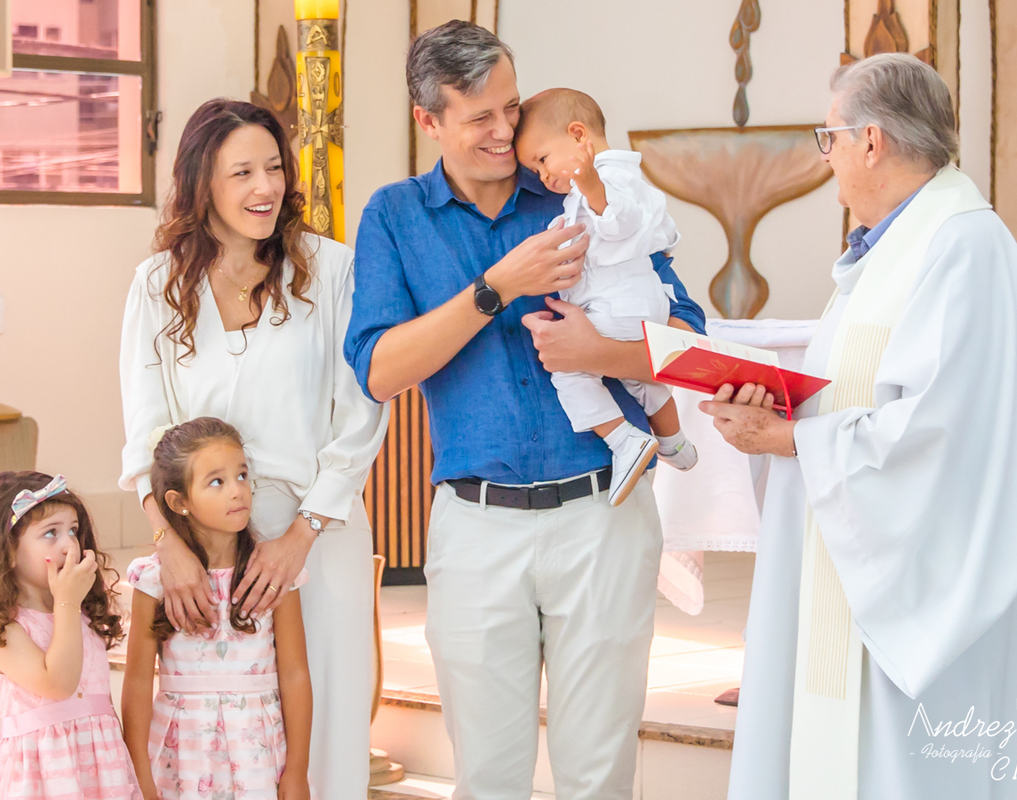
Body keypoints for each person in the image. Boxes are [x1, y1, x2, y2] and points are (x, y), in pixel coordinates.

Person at [702, 53, 1017, 799]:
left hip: (921, 593)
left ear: (870, 141)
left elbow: (945, 436)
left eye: (830, 137)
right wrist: (780, 411)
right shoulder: (894, 249)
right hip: (855, 562)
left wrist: (790, 439)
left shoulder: (962, 246)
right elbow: (865, 393)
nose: (828, 158)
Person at [345, 20, 706, 800]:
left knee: (599, 775)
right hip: (476, 528)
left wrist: (598, 353)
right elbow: (377, 371)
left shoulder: (580, 191)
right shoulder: (395, 216)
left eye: (511, 107)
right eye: (480, 116)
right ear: (427, 120)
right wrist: (497, 287)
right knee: (488, 777)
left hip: (605, 513)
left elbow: (689, 338)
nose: (507, 131)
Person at [118, 99, 388, 798]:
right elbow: (147, 429)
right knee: (212, 744)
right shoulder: (157, 284)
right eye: (242, 173)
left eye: (273, 167)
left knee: (324, 732)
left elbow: (362, 411)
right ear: (200, 182)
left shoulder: (331, 269)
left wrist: (302, 535)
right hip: (202, 550)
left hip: (318, 534)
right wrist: (169, 544)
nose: (265, 187)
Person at [513, 87, 698, 504]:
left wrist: (592, 187)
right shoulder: (615, 181)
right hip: (638, 302)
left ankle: (623, 441)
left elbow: (618, 221)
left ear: (579, 135)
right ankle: (673, 442)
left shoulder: (605, 180)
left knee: (569, 372)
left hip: (619, 305)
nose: (543, 177)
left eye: (542, 160)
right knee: (639, 381)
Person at [122, 418, 311, 800]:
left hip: (259, 759)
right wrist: (140, 772)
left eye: (242, 475)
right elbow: (138, 681)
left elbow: (294, 674)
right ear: (179, 502)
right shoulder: (154, 581)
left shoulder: (273, 575)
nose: (237, 491)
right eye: (216, 482)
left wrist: (297, 771)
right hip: (180, 759)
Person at [0, 472, 140, 800]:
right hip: (41, 778)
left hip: (102, 769)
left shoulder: (79, 614)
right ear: (8, 551)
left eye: (73, 530)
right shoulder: (1, 627)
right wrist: (67, 603)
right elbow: (58, 683)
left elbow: (101, 704)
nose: (70, 544)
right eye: (51, 533)